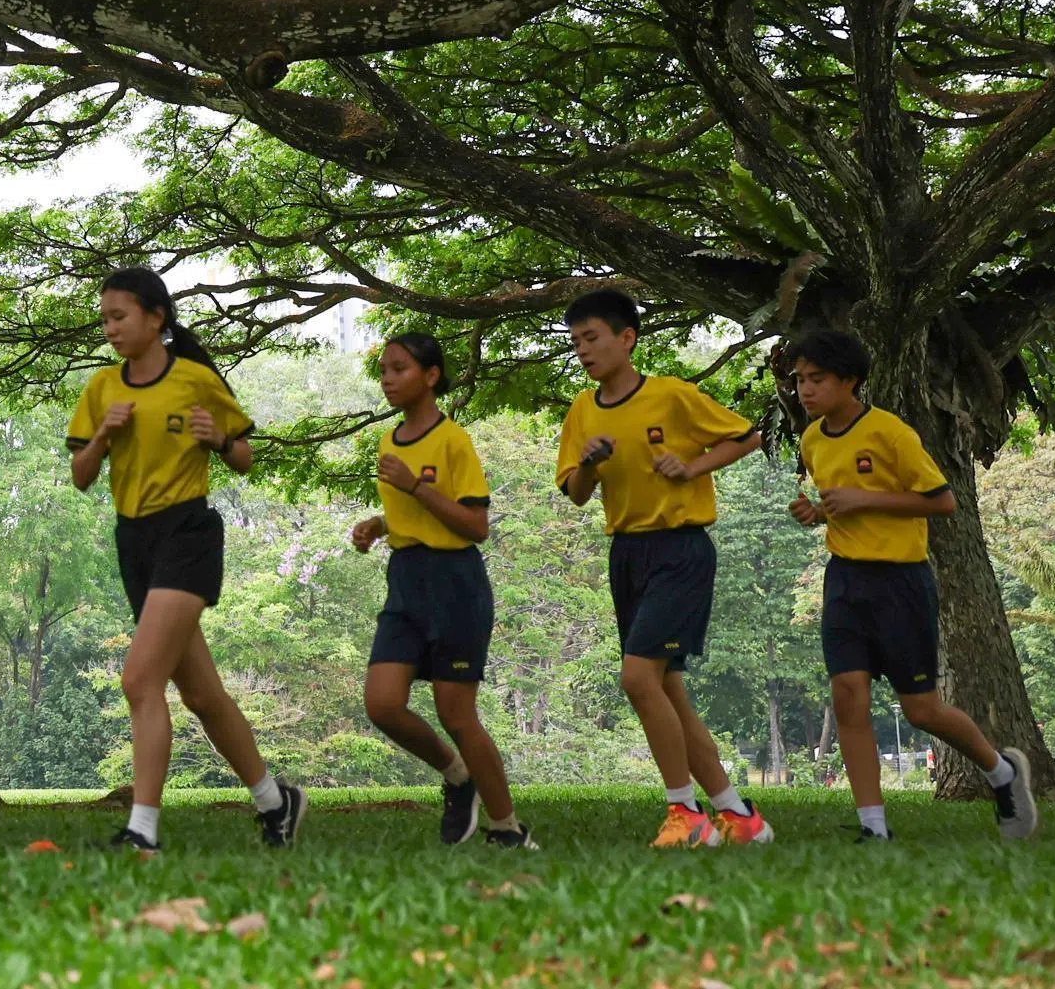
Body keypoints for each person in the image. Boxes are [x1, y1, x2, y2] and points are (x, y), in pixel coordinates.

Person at [69, 266, 304, 855]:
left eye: (119, 317)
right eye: (105, 319)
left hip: (188, 533)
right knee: (201, 694)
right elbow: (80, 476)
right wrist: (103, 436)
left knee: (139, 679)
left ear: (156, 318)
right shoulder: (102, 388)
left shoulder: (196, 380)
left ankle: (142, 831)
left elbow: (245, 457)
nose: (111, 328)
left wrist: (219, 439)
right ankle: (277, 802)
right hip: (135, 541)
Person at [785, 328, 1036, 842]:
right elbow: (838, 504)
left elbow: (942, 501)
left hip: (901, 581)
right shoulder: (812, 440)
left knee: (921, 710)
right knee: (848, 695)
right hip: (844, 580)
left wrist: (864, 500)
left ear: (849, 381)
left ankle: (1001, 771)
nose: (805, 390)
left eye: (817, 379)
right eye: (800, 380)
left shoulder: (890, 433)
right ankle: (873, 828)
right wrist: (816, 513)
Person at [553, 287, 768, 848]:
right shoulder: (582, 410)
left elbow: (747, 437)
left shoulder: (672, 396)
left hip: (680, 550)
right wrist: (590, 465)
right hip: (627, 554)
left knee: (637, 677)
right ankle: (739, 818)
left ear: (627, 339)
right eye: (575, 341)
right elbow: (575, 493)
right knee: (667, 689)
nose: (583, 350)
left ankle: (686, 813)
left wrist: (692, 465)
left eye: (592, 338)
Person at [349, 332, 532, 849]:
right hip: (405, 581)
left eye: (399, 368)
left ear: (431, 376)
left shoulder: (454, 440)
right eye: (383, 369)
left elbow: (475, 524)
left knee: (456, 713)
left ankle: (507, 829)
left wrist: (414, 486)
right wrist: (378, 525)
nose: (387, 378)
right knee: (382, 704)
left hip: (455, 583)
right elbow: (412, 514)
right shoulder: (390, 442)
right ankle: (457, 776)